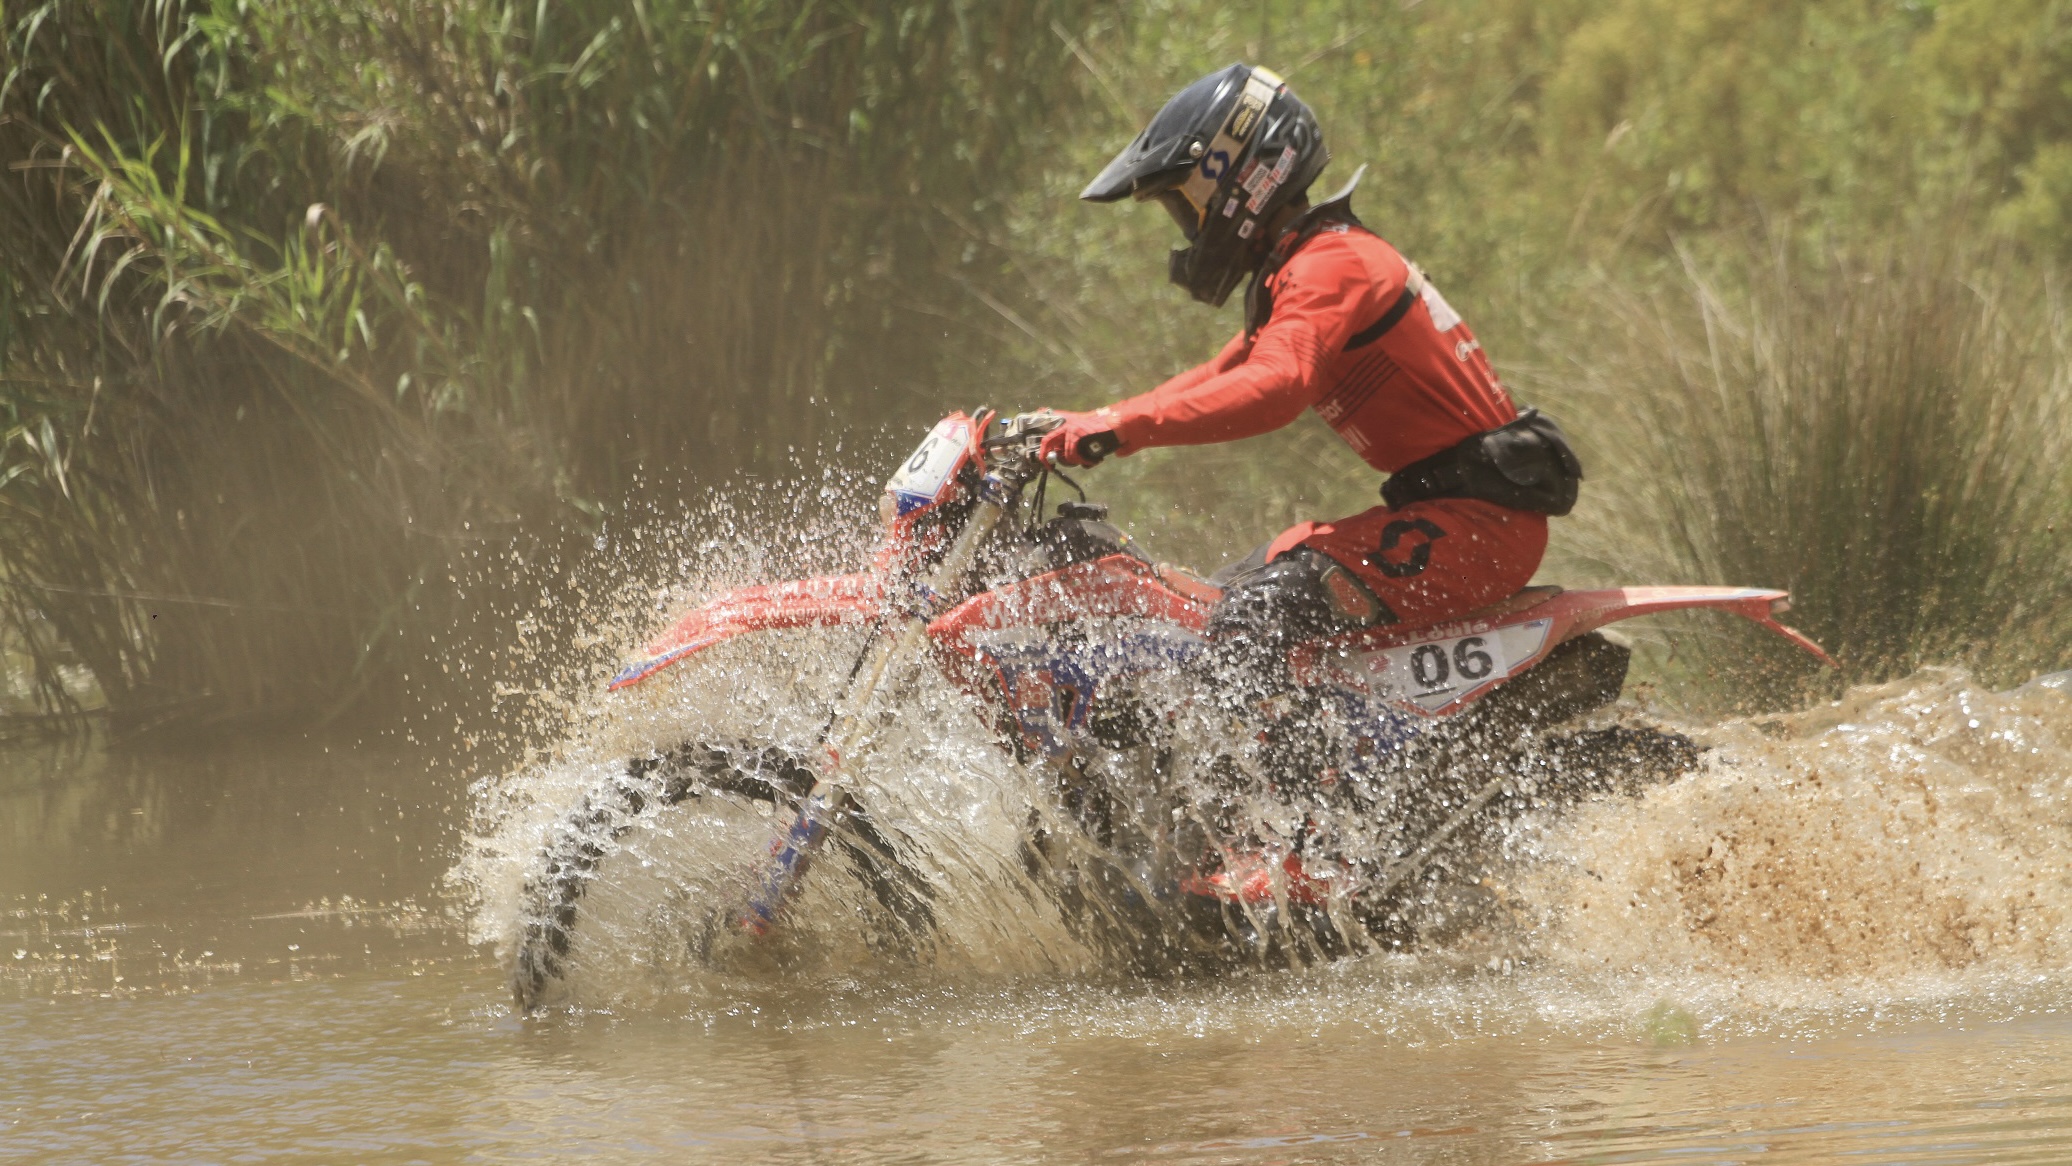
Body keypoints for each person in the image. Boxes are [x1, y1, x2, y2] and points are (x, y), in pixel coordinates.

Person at [1039, 64, 1581, 674]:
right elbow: (1228, 371)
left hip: (1478, 528)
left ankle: (1303, 768)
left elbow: (1276, 385)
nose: (1188, 229)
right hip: (1445, 515)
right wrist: (1095, 420)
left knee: (1251, 620)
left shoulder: (1329, 263)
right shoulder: (1306, 262)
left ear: (1239, 177)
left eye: (1184, 204)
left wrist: (1123, 428)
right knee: (1208, 599)